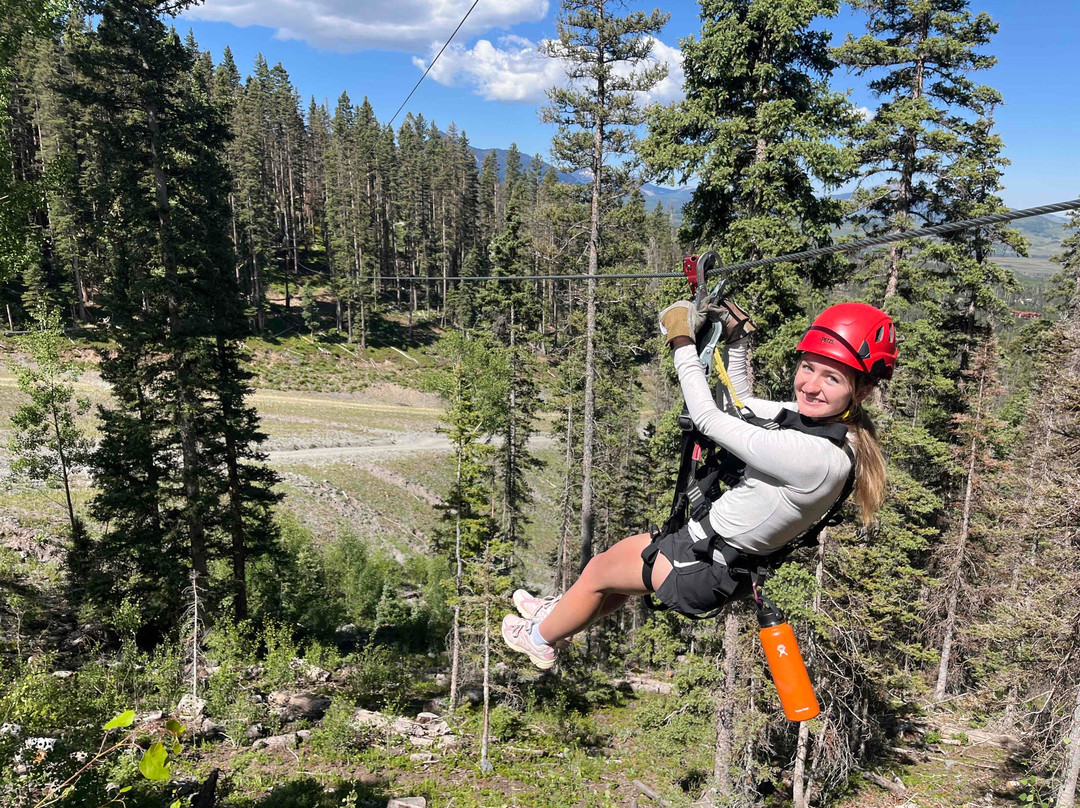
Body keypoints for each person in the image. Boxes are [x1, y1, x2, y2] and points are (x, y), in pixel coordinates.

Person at [501, 298, 898, 670]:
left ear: (861, 391)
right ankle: (558, 617)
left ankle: (540, 638)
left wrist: (681, 339)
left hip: (700, 563)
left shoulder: (816, 457)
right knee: (610, 580)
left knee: (597, 574)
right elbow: (739, 407)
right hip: (712, 559)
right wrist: (737, 342)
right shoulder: (827, 429)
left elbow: (709, 418)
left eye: (831, 378)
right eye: (808, 367)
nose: (810, 385)